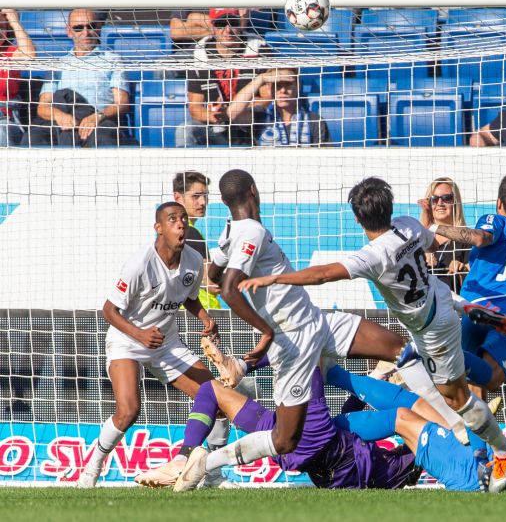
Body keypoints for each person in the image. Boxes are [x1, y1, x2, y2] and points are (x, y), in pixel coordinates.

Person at [152, 169, 456, 489]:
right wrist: (264, 330)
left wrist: (214, 281)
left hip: (316, 321)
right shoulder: (251, 232)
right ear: (253, 191)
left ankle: (449, 420)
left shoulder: (229, 232)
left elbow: (214, 276)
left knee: (397, 346)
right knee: (285, 440)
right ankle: (206, 463)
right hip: (294, 338)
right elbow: (228, 288)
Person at [237, 177, 506, 493]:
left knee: (458, 398)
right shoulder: (408, 224)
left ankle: (499, 450)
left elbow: (321, 275)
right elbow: (429, 244)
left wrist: (274, 278)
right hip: (442, 304)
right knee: (407, 359)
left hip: (433, 332)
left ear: (358, 219)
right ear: (389, 207)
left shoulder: (372, 255)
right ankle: (462, 408)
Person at [78, 203, 232, 488]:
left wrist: (205, 318)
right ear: (158, 228)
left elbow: (187, 296)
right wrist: (139, 335)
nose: (181, 224)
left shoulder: (194, 261)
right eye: (172, 219)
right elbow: (109, 311)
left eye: (183, 219)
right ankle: (94, 463)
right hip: (127, 340)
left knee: (219, 400)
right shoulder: (140, 263)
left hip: (166, 343)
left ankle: (212, 474)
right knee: (128, 410)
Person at [166, 357, 447, 491]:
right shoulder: (398, 464)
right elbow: (350, 423)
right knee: (211, 391)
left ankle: (187, 456)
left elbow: (353, 425)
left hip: (317, 444)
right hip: (313, 447)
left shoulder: (395, 467)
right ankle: (200, 466)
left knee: (303, 356)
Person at [338, 361, 506, 492]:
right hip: (482, 464)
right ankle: (336, 376)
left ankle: (322, 426)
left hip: (474, 472)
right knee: (416, 404)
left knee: (402, 417)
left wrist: (504, 472)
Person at [433, 175, 506, 394]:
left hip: (477, 299)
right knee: (490, 379)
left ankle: (429, 355)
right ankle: (435, 358)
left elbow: (479, 238)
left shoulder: (497, 220)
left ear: (499, 203)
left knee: (458, 378)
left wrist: (434, 227)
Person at [23, 9, 135, 147]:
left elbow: (122, 103)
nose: (86, 33)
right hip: (61, 121)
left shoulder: (113, 60)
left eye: (91, 26)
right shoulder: (58, 64)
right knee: (34, 137)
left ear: (99, 27)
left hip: (98, 120)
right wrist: (59, 116)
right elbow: (43, 107)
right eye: (78, 28)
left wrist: (98, 116)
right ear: (69, 31)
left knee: (104, 137)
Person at [177, 9, 266, 147]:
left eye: (234, 23)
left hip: (251, 125)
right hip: (217, 126)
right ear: (212, 27)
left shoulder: (258, 49)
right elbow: (194, 107)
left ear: (241, 25)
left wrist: (233, 111)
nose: (228, 30)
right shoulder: (200, 54)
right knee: (185, 130)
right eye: (221, 24)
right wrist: (212, 115)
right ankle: (188, 169)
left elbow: (267, 99)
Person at [227, 67, 329, 147]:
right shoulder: (260, 116)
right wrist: (261, 78)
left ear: (298, 87)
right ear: (269, 88)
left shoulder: (315, 121)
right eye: (278, 85)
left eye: (288, 84)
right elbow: (232, 113)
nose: (283, 90)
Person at [172, 171, 221, 309]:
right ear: (178, 197)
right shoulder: (190, 233)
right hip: (201, 311)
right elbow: (212, 284)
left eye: (205, 196)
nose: (203, 202)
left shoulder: (169, 231)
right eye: (196, 196)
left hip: (178, 309)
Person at [417, 177, 470, 294]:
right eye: (434, 199)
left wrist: (462, 271)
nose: (440, 203)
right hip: (422, 308)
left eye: (447, 198)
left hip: (453, 308)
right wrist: (420, 262)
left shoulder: (467, 239)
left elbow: (473, 288)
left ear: (456, 202)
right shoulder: (417, 239)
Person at [0, 9, 35, 146]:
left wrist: (14, 22)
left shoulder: (10, 53)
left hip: (3, 118)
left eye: (1, 27)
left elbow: (30, 55)